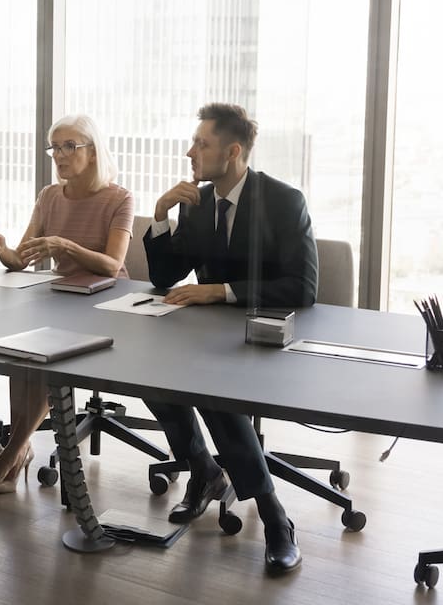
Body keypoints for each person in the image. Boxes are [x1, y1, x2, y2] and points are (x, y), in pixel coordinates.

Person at [143, 102, 317, 575]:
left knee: (214, 395)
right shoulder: (197, 204)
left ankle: (275, 517)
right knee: (146, 373)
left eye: (202, 144)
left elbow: (303, 288)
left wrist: (219, 291)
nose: (190, 152)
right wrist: (161, 215)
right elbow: (163, 276)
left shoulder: (283, 201)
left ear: (234, 151)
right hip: (209, 337)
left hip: (271, 336)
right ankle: (203, 470)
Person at [0, 114, 134, 497]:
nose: (59, 155)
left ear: (92, 152)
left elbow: (113, 264)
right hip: (62, 298)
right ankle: (18, 452)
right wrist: (1, 251)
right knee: (18, 349)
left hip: (109, 303)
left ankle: (9, 457)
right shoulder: (49, 196)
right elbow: (19, 261)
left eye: (69, 146)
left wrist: (65, 246)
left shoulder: (119, 197)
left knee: (45, 359)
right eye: (55, 147)